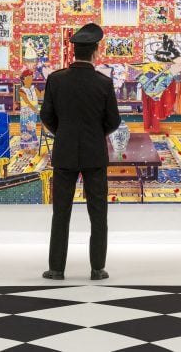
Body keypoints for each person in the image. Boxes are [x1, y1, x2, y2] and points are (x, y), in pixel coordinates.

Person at [40, 23, 121, 281]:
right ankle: (97, 268)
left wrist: (63, 133)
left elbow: (47, 117)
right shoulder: (103, 83)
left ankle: (56, 269)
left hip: (64, 153)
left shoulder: (56, 80)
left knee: (60, 212)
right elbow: (114, 121)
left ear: (73, 53)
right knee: (98, 213)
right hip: (94, 154)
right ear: (96, 52)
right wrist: (97, 135)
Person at [18, 69, 41, 152]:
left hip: (33, 111)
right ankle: (26, 147)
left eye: (31, 77)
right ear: (23, 79)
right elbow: (27, 102)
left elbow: (40, 95)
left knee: (33, 127)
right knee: (25, 128)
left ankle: (33, 145)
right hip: (26, 111)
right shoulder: (21, 90)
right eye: (28, 77)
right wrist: (35, 109)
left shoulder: (34, 88)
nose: (30, 79)